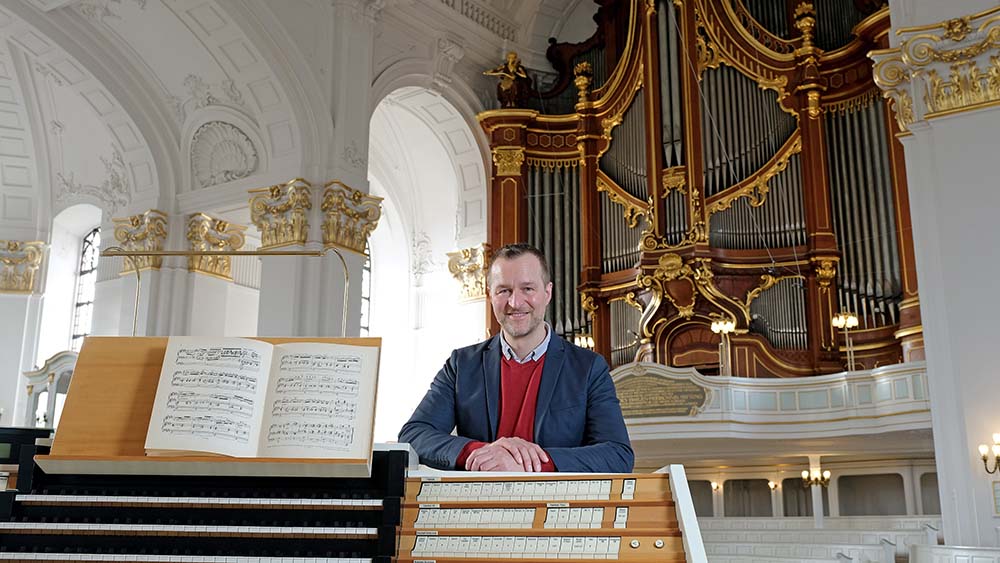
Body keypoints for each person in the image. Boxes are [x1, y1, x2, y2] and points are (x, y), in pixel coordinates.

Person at [398, 243, 634, 473]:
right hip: (477, 504)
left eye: (527, 289)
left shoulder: (588, 367)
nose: (515, 302)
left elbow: (618, 454)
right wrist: (482, 453)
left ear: (548, 293)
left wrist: (533, 463)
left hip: (556, 504)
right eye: (504, 290)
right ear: (490, 295)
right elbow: (414, 434)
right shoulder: (461, 364)